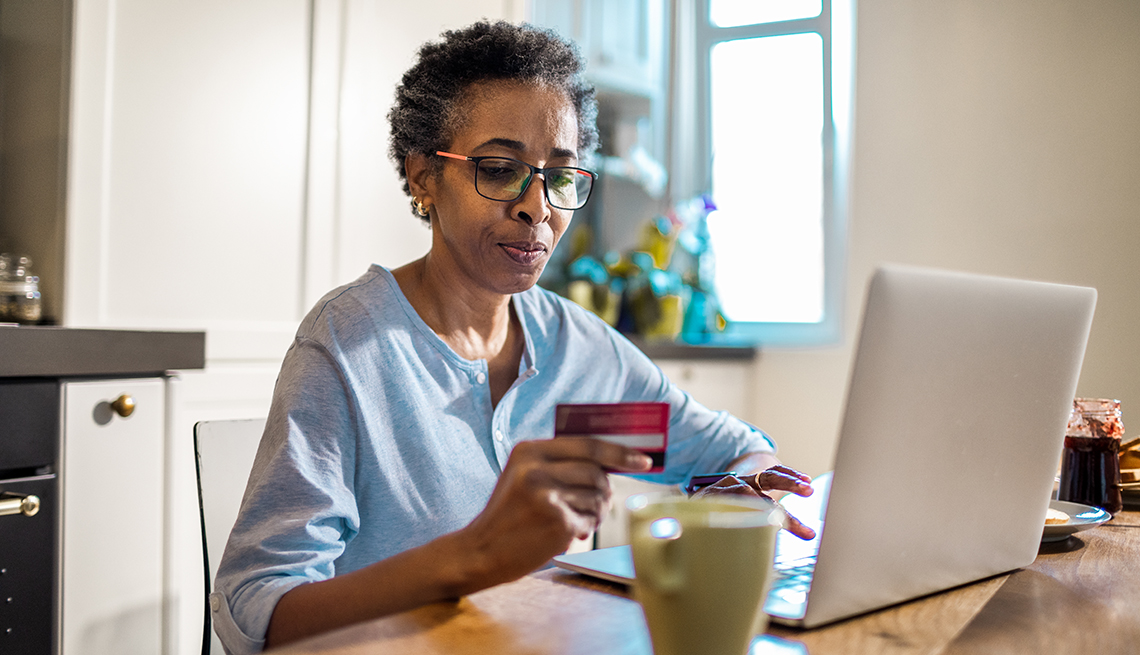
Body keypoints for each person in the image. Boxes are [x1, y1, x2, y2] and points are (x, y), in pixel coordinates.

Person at [211, 20, 814, 654]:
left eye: (559, 175)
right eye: (500, 170)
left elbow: (738, 454)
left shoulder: (581, 350)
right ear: (422, 178)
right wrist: (475, 555)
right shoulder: (349, 347)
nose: (537, 207)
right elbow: (256, 613)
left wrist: (750, 486)